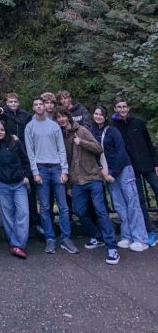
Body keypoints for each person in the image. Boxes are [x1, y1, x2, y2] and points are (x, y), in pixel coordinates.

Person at [56, 107, 119, 265]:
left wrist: (81, 142)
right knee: (79, 210)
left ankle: (112, 246)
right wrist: (70, 185)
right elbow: (67, 161)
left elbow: (98, 148)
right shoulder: (61, 136)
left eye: (63, 116)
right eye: (58, 117)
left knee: (101, 211)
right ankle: (97, 236)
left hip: (92, 178)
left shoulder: (82, 130)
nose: (62, 119)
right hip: (77, 181)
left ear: (68, 117)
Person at [91, 105, 148, 252]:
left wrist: (113, 174)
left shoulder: (113, 131)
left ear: (106, 117)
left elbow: (122, 153)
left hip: (123, 170)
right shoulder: (93, 132)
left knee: (132, 203)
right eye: (96, 113)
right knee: (119, 205)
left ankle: (140, 238)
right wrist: (103, 171)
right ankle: (127, 236)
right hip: (108, 173)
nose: (98, 116)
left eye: (100, 114)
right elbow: (94, 154)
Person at [25, 97, 77, 255]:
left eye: (41, 104)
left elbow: (61, 149)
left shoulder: (54, 126)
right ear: (33, 108)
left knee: (63, 206)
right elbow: (30, 152)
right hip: (41, 169)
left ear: (45, 107)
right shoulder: (30, 127)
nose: (39, 106)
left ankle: (66, 238)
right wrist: (35, 172)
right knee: (45, 207)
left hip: (56, 168)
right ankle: (50, 238)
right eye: (36, 105)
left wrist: (64, 170)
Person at [112, 97, 158, 245]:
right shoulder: (114, 127)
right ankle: (150, 230)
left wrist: (156, 163)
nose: (122, 109)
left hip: (149, 165)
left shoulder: (138, 123)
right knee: (139, 200)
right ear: (115, 109)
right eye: (119, 107)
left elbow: (149, 144)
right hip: (131, 168)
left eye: (124, 106)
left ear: (128, 108)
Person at [0, 120, 31, 258]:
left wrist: (26, 175)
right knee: (7, 215)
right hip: (2, 184)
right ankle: (14, 244)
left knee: (23, 213)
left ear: (6, 131)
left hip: (18, 183)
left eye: (2, 130)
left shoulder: (15, 142)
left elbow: (25, 160)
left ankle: (18, 244)